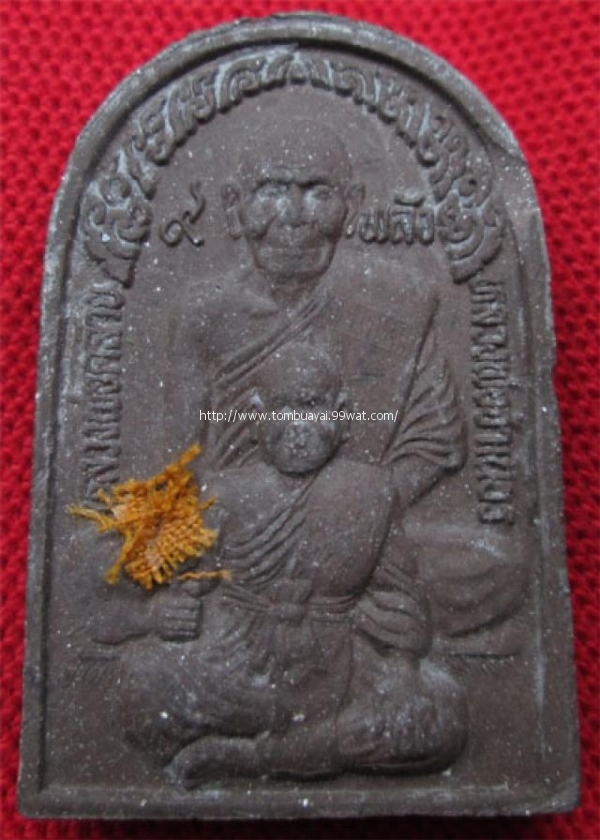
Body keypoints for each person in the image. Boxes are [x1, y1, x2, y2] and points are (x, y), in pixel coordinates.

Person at [117, 343, 466, 785]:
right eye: (283, 409)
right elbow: (174, 580)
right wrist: (162, 612)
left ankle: (252, 758)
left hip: (337, 670)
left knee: (437, 716)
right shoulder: (223, 494)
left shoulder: (371, 493)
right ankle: (307, 746)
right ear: (257, 414)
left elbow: (398, 600)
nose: (299, 428)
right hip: (237, 668)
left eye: (313, 408)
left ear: (342, 415)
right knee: (142, 686)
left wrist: (400, 665)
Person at [168, 117, 466, 511]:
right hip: (228, 523)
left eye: (318, 193)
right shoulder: (203, 314)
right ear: (233, 204)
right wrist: (238, 509)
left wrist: (356, 508)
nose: (293, 215)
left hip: (361, 526)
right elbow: (177, 465)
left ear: (352, 205)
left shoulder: (398, 304)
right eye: (271, 191)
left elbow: (438, 443)